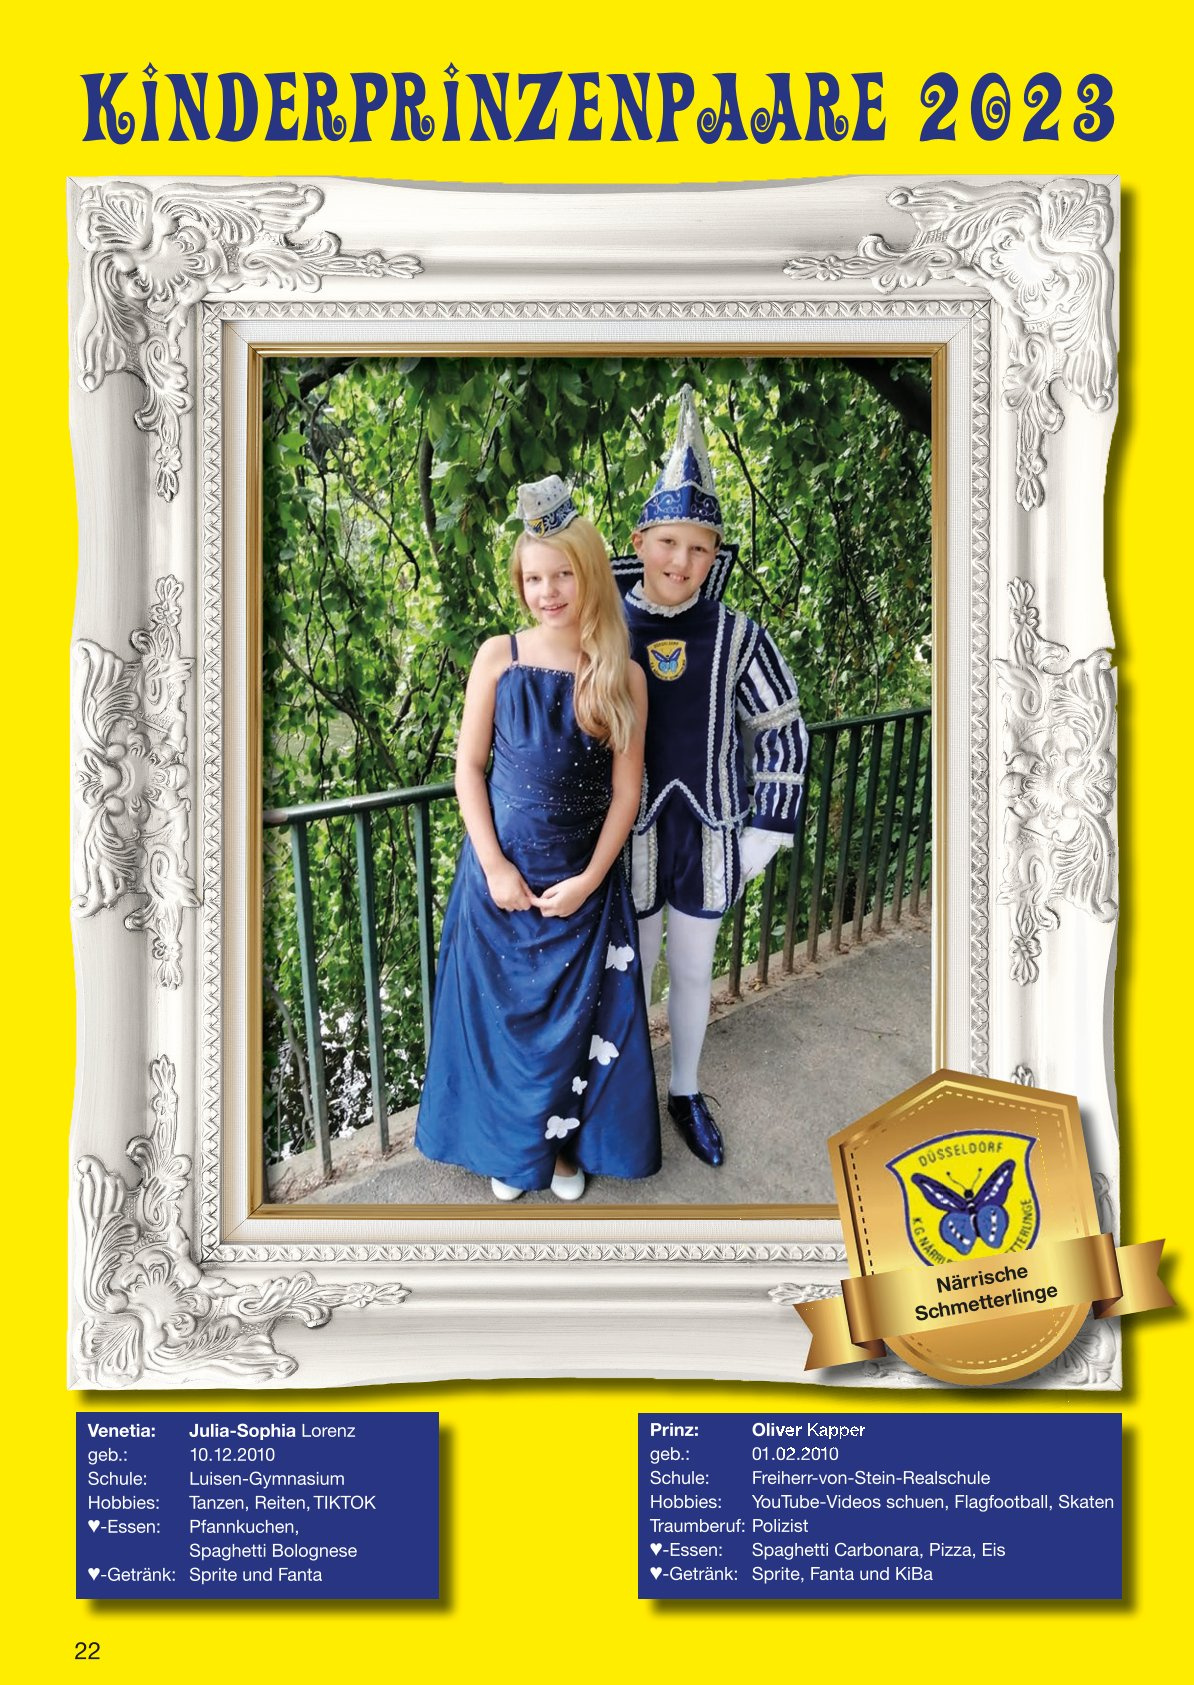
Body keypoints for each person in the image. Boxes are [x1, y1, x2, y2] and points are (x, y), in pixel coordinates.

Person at [415, 477, 661, 1202]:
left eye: (562, 575)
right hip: (501, 882)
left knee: (575, 1027)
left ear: (589, 574)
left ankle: (561, 1153)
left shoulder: (623, 676)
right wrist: (493, 865)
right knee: (505, 1029)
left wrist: (590, 881)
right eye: (533, 578)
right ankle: (510, 1150)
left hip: (581, 887)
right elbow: (467, 767)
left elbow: (626, 794)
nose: (547, 591)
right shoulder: (498, 656)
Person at [614, 385, 809, 1169]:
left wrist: (764, 833)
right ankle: (623, 1098)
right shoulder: (602, 627)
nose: (681, 561)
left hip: (710, 832)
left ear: (716, 554)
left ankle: (684, 1090)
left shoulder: (739, 634)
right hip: (625, 835)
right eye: (669, 542)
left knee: (693, 971)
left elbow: (782, 727)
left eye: (699, 548)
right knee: (628, 973)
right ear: (641, 540)